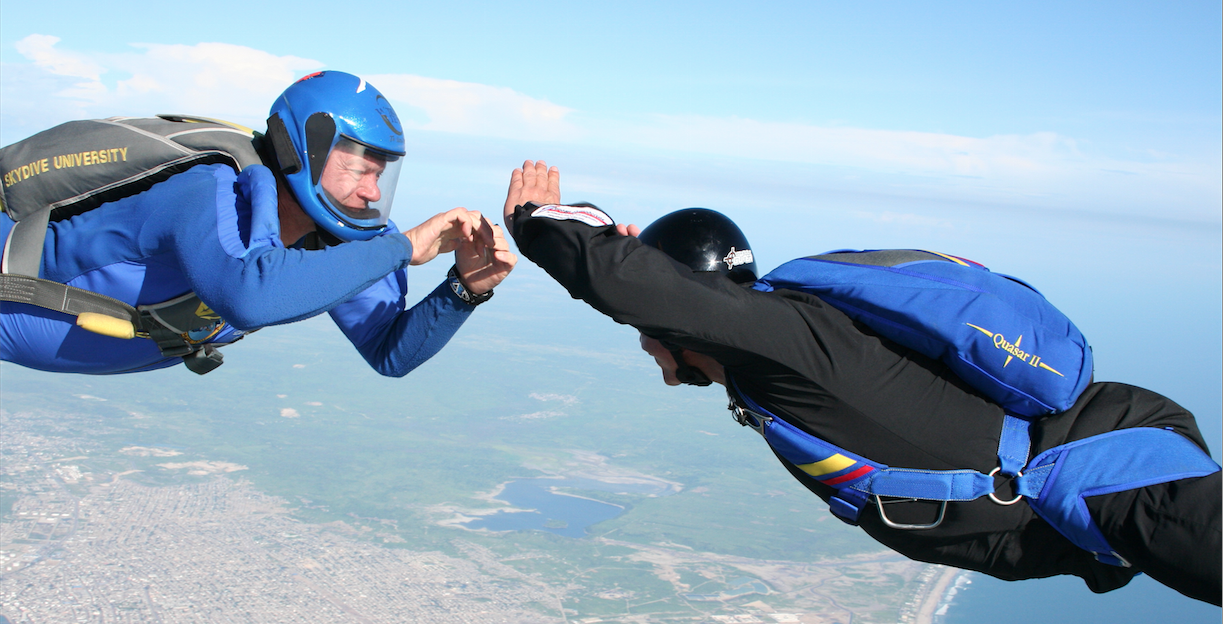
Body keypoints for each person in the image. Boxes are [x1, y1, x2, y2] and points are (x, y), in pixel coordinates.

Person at [501, 160, 1221, 605]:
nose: (654, 362)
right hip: (1096, 506)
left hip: (1112, 479)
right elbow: (660, 296)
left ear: (689, 322)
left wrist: (542, 225)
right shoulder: (777, 363)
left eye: (650, 342)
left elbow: (639, 290)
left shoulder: (788, 344)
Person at [0, 71, 516, 375]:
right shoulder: (211, 189)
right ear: (304, 150)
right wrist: (403, 248)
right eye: (358, 167)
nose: (372, 191)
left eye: (382, 174)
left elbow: (390, 351)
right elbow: (250, 295)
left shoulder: (344, 238)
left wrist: (464, 290)